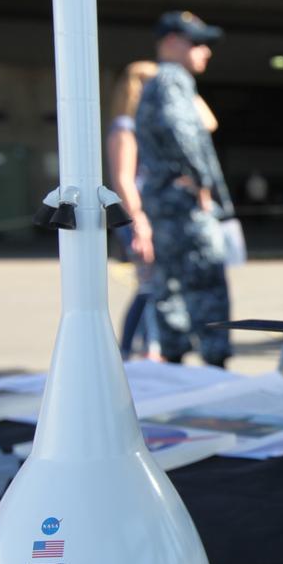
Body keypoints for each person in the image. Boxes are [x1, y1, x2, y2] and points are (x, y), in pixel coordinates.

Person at [135, 11, 232, 368]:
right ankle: (214, 364)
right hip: (184, 206)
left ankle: (174, 360)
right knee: (205, 283)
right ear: (173, 42)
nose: (206, 51)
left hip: (165, 204)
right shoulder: (172, 80)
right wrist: (202, 181)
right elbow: (180, 130)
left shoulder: (157, 83)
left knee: (170, 287)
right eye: (198, 43)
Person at [107, 60, 161, 361]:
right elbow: (123, 180)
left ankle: (141, 348)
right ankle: (138, 349)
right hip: (138, 218)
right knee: (150, 286)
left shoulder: (143, 127)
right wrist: (139, 222)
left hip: (149, 216)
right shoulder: (124, 128)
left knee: (152, 285)